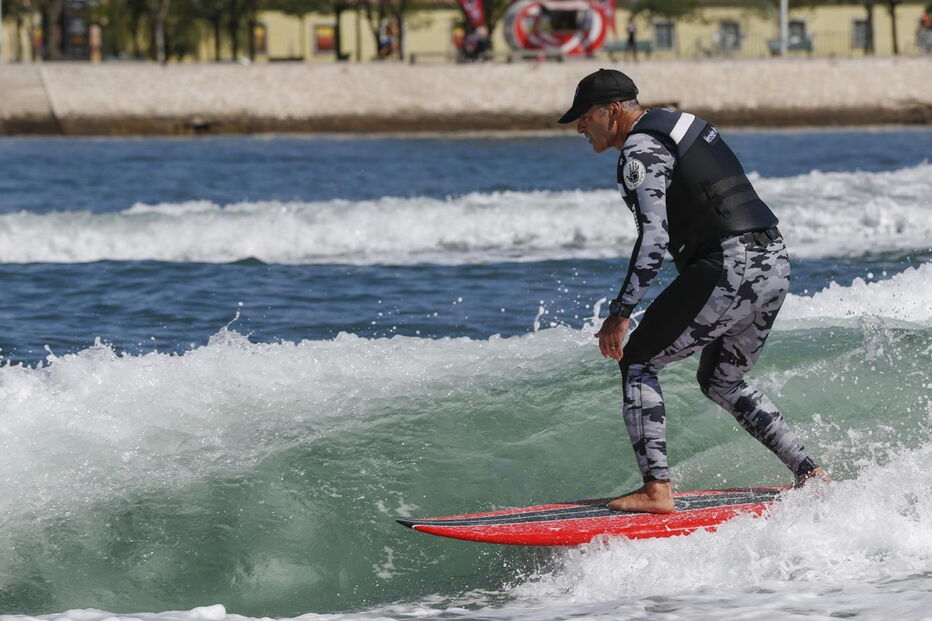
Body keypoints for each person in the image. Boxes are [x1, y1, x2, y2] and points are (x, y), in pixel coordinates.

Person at [558, 69, 827, 514]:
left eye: (585, 117)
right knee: (722, 379)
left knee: (639, 360)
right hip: (775, 260)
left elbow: (654, 240)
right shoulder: (685, 125)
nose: (581, 127)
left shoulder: (640, 150)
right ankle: (809, 473)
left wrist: (621, 312)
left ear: (612, 110)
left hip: (732, 265)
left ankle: (656, 491)